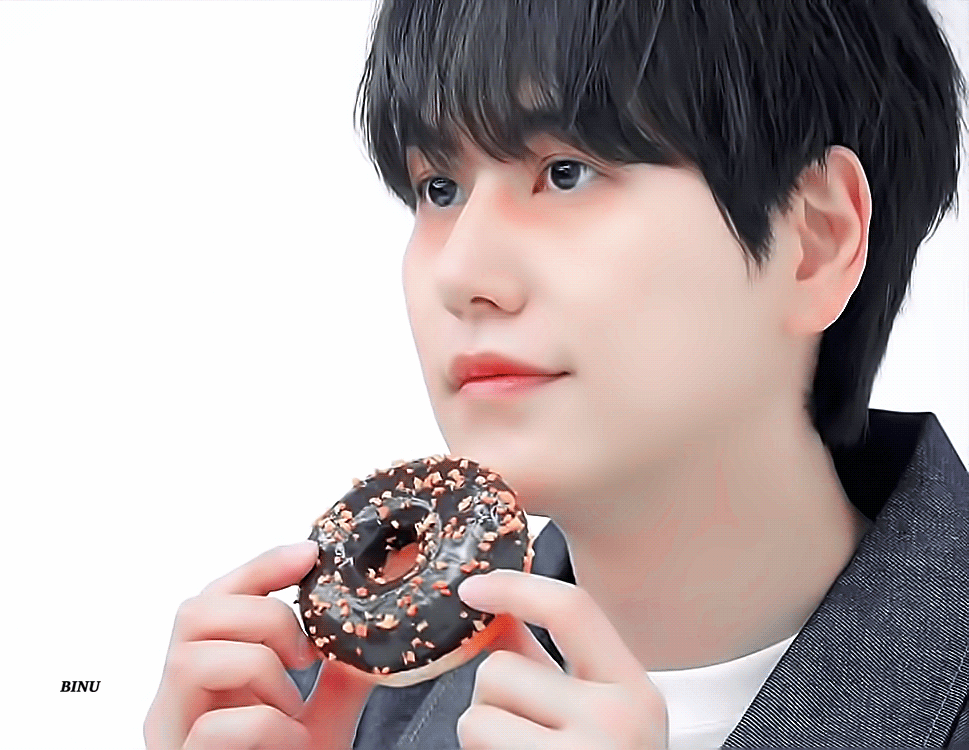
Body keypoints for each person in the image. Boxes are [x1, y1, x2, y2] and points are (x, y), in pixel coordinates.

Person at [144, 0, 969, 747]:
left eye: (565, 172)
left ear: (815, 239)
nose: (460, 271)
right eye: (439, 188)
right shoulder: (327, 718)